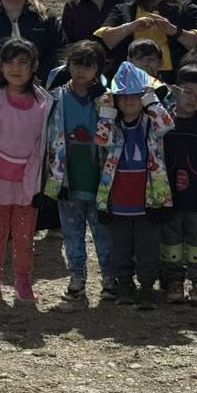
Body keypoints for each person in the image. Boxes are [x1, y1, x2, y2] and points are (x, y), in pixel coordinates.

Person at [0, 37, 50, 308]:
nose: (15, 68)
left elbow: (50, 145)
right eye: (9, 62)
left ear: (34, 66)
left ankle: (23, 281)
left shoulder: (45, 103)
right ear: (0, 65)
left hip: (28, 181)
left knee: (25, 235)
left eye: (22, 62)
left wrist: (46, 183)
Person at [92, 61, 171, 307]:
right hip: (118, 197)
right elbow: (102, 140)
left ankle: (147, 287)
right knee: (121, 246)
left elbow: (167, 125)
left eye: (135, 95)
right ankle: (124, 284)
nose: (129, 100)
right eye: (123, 96)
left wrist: (151, 100)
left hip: (149, 196)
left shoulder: (151, 123)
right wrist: (106, 111)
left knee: (148, 247)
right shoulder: (112, 124)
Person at [46, 41, 115, 301]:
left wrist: (104, 104)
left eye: (88, 65)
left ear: (98, 69)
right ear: (68, 65)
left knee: (104, 233)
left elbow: (109, 136)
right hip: (66, 176)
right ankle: (77, 277)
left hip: (98, 177)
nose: (81, 71)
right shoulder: (56, 97)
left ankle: (109, 278)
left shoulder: (105, 98)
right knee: (71, 233)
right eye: (76, 64)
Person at [160, 64, 197, 306]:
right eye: (188, 92)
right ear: (175, 90)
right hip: (168, 194)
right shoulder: (163, 121)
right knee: (169, 237)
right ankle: (173, 280)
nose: (193, 99)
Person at [97, 0, 197, 80]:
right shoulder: (122, 10)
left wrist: (173, 30)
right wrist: (130, 27)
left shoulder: (184, 8)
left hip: (175, 78)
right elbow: (103, 40)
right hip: (130, 80)